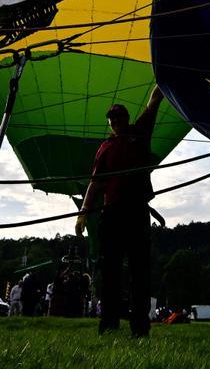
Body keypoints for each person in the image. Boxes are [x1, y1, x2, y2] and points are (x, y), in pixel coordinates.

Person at [75, 88, 163, 337]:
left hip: (136, 210)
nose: (115, 122)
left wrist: (165, 73)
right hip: (112, 213)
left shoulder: (140, 133)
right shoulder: (104, 147)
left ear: (126, 119)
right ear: (109, 123)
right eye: (112, 119)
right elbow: (95, 183)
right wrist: (83, 213)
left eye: (119, 118)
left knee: (139, 272)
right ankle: (109, 324)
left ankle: (140, 328)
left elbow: (154, 101)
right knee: (110, 271)